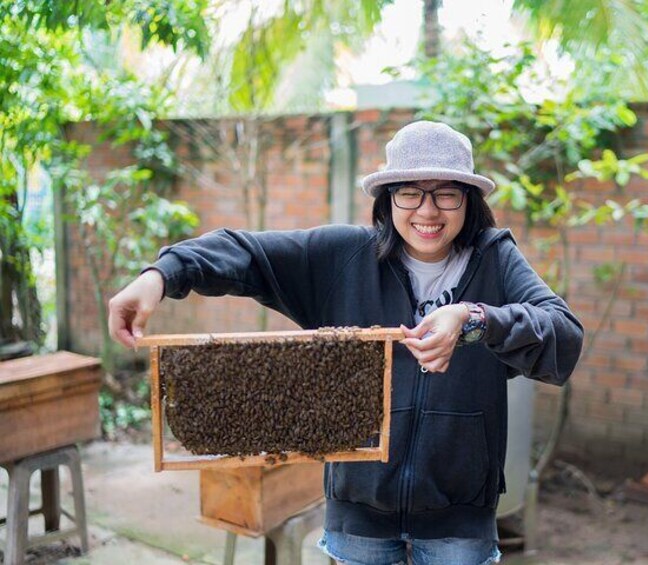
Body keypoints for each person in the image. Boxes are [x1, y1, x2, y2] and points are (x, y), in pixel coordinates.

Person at [108, 120, 583, 565]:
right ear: (388, 198)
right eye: (410, 193)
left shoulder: (496, 262)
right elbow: (244, 250)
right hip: (359, 516)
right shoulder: (343, 258)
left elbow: (562, 336)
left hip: (459, 522)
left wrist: (474, 319)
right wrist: (159, 276)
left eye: (446, 194)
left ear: (469, 200)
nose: (427, 210)